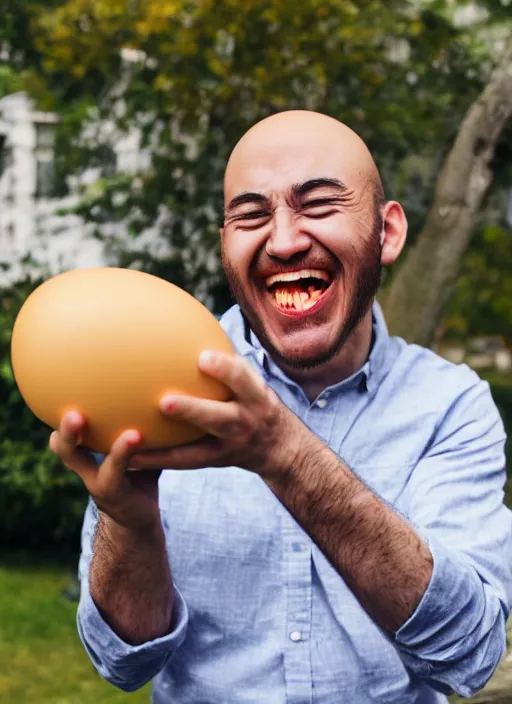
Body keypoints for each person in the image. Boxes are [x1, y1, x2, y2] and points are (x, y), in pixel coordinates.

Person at [50, 110, 512, 704]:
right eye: (250, 215)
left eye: (319, 205)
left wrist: (284, 453)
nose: (285, 240)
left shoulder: (451, 405)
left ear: (387, 233)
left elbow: (469, 656)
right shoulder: (156, 384)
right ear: (225, 245)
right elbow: (122, 663)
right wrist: (131, 526)